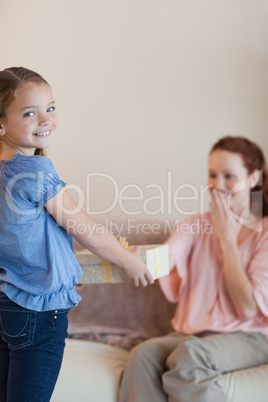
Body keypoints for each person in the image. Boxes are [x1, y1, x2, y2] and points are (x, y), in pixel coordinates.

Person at [0, 66, 154, 402]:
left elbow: (21, 243)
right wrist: (129, 260)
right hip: (38, 314)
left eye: (50, 108)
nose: (46, 120)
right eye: (30, 113)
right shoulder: (32, 170)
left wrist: (64, 269)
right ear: (1, 123)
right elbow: (87, 231)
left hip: (5, 305)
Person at [119, 136, 268, 402]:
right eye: (213, 175)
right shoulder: (195, 224)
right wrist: (132, 258)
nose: (217, 185)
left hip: (249, 337)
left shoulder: (264, 234)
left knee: (192, 354)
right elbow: (164, 259)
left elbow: (247, 308)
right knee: (144, 354)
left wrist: (226, 239)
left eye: (229, 176)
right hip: (190, 334)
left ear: (254, 178)